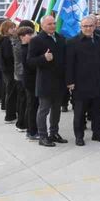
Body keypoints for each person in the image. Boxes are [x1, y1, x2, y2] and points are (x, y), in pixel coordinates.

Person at [66, 16, 100, 146]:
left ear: (95, 26)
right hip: (80, 84)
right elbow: (69, 64)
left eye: (90, 26)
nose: (88, 28)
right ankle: (79, 136)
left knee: (98, 110)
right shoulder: (72, 42)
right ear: (81, 27)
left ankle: (97, 134)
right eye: (85, 26)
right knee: (79, 113)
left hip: (98, 81)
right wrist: (70, 81)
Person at [28, 16, 68, 147]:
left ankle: (54, 133)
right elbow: (30, 62)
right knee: (44, 110)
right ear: (42, 26)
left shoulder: (61, 38)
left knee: (56, 109)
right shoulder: (36, 40)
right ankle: (43, 136)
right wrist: (43, 58)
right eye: (49, 24)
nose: (52, 26)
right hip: (45, 81)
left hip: (59, 81)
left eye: (54, 23)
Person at [17, 26, 39, 141]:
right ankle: (32, 131)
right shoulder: (24, 49)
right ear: (22, 37)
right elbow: (30, 65)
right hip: (30, 81)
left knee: (32, 105)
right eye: (29, 35)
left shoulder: (28, 47)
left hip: (31, 80)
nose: (32, 36)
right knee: (32, 106)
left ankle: (31, 129)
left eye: (32, 34)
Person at [0, 20, 18, 124]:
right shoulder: (6, 41)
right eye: (12, 28)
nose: (14, 29)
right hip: (9, 70)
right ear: (6, 30)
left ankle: (11, 114)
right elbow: (8, 56)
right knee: (11, 92)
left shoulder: (7, 39)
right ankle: (10, 116)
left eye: (14, 27)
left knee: (10, 91)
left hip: (7, 69)